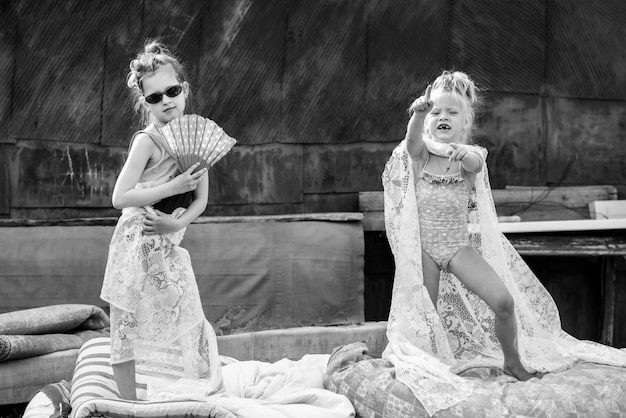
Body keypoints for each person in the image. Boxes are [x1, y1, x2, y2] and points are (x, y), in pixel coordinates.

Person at [381, 70, 626, 415]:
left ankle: (512, 361)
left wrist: (461, 153)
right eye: (436, 112)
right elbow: (410, 143)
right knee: (426, 314)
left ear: (465, 120)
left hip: (455, 248)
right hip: (423, 249)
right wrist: (418, 112)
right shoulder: (420, 155)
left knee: (504, 302)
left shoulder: (469, 155)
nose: (443, 118)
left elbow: (476, 162)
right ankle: (434, 366)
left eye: (452, 112)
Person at [100, 40, 222, 400]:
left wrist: (175, 225)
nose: (166, 101)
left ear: (183, 89)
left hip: (167, 237)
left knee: (189, 312)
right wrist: (173, 185)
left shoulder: (197, 139)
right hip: (136, 239)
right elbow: (120, 197)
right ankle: (127, 403)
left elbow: (201, 200)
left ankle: (200, 391)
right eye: (154, 97)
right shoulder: (147, 141)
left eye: (171, 91)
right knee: (127, 319)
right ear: (144, 101)